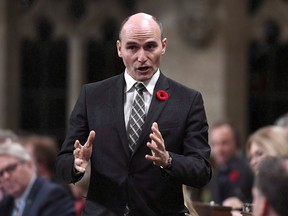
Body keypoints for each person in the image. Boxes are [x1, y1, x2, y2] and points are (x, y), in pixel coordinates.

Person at [56, 12, 211, 216]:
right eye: (132, 48)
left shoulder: (187, 100)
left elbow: (202, 171)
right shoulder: (92, 96)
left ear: (163, 46)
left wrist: (168, 160)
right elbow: (62, 164)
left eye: (150, 46)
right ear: (120, 49)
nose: (142, 57)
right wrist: (76, 165)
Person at [0, 142, 76, 216]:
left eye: (11, 168)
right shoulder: (6, 203)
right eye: (1, 173)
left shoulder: (53, 195)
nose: (6, 177)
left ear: (29, 164)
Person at [209, 121, 253, 209]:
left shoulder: (249, 170)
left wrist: (242, 206)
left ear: (236, 142)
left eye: (224, 143)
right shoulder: (212, 172)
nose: (219, 149)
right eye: (214, 144)